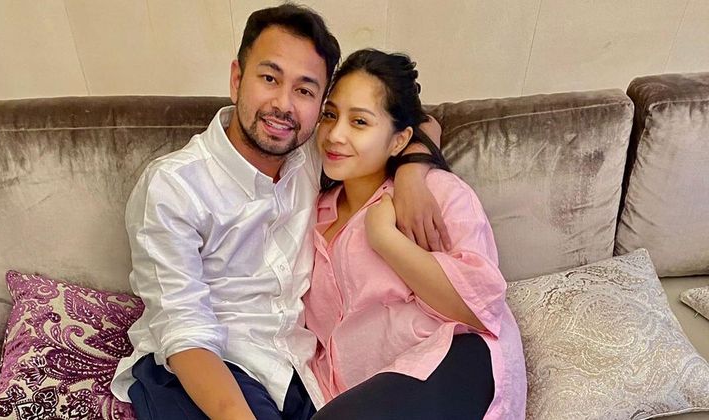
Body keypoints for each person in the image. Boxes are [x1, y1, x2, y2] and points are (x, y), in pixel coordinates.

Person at [109, 4, 445, 420]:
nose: (283, 105)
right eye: (269, 78)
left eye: (304, 90)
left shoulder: (315, 156)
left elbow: (425, 122)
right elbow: (184, 331)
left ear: (321, 104)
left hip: (294, 369)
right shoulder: (173, 187)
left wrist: (411, 174)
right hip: (198, 367)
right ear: (237, 79)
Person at [304, 49, 528, 420]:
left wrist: (385, 238)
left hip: (456, 359)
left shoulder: (436, 193)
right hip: (362, 395)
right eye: (330, 115)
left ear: (398, 140)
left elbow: (479, 308)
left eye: (359, 122)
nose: (335, 135)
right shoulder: (312, 211)